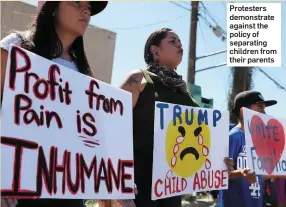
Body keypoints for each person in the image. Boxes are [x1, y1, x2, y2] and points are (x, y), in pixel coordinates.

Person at [0, 1, 108, 207]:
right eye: (76, 2)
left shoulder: (84, 72)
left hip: (67, 190)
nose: (86, 10)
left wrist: (110, 182)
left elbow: (92, 135)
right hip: (16, 187)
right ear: (53, 6)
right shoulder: (16, 46)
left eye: (89, 7)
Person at [120, 28, 234, 207]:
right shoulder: (139, 80)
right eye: (173, 41)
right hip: (136, 186)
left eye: (180, 41)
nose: (180, 45)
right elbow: (113, 126)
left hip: (171, 188)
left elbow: (199, 138)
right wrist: (116, 183)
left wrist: (219, 162)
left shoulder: (184, 92)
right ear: (155, 50)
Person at [219, 90, 278, 207]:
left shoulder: (259, 139)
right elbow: (220, 174)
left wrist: (273, 174)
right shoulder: (233, 137)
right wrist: (241, 173)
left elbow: (258, 172)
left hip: (254, 201)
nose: (264, 113)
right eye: (260, 108)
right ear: (243, 112)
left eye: (264, 109)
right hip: (234, 202)